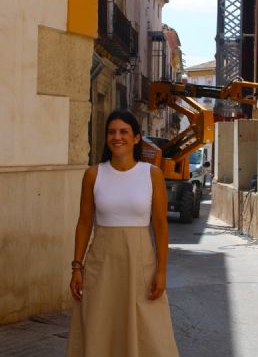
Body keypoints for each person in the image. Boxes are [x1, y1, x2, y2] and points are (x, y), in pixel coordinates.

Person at [67, 110, 179, 357]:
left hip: (140, 264)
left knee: (149, 330)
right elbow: (84, 223)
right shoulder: (93, 174)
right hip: (101, 264)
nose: (117, 137)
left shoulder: (152, 175)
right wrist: (77, 267)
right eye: (112, 132)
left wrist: (161, 271)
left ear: (137, 138)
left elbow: (160, 225)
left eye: (123, 132)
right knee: (100, 325)